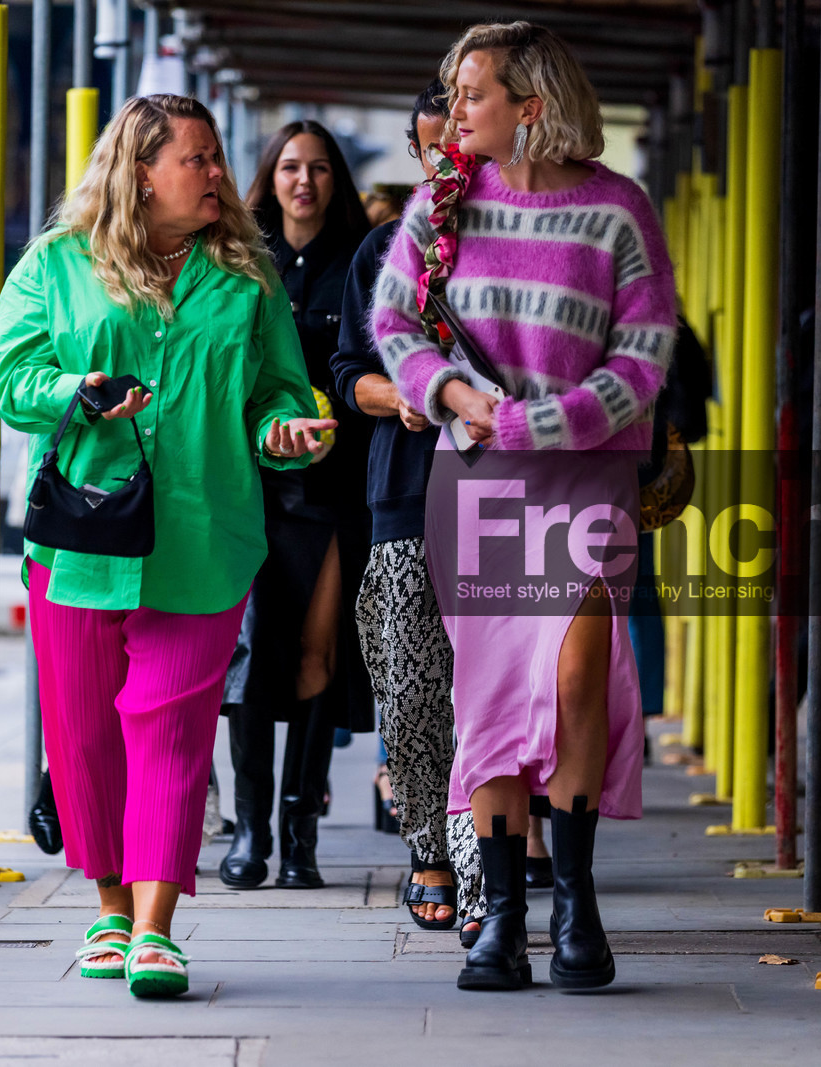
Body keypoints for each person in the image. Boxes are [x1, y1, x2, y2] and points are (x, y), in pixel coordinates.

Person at [0, 94, 330, 999]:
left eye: (216, 159)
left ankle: (154, 926)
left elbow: (280, 393)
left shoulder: (247, 279)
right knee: (87, 734)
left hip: (205, 535)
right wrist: (79, 388)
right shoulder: (57, 266)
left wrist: (289, 430)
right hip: (81, 537)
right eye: (199, 158)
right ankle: (106, 906)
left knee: (173, 732)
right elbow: (9, 381)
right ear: (142, 170)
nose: (219, 173)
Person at [373, 22, 676, 992]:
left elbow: (645, 349)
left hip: (585, 474)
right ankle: (502, 914)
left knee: (581, 671)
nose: (454, 111)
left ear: (530, 104)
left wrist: (560, 417)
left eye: (473, 93)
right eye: (456, 94)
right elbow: (391, 323)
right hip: (479, 477)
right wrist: (455, 397)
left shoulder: (616, 210)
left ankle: (576, 896)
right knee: (494, 695)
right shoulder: (444, 203)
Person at [331, 80, 487, 938]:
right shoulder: (386, 249)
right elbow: (346, 371)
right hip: (405, 487)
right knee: (414, 686)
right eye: (431, 148)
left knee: (495, 691)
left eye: (459, 147)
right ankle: (431, 849)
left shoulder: (519, 246)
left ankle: (486, 856)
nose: (445, 163)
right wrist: (402, 395)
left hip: (503, 492)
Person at [220, 120, 375, 891]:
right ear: (269, 177)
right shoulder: (241, 261)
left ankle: (298, 831)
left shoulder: (364, 262)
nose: (303, 180)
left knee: (319, 654)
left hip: (334, 486)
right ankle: (249, 829)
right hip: (253, 486)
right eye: (289, 166)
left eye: (318, 167)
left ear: (336, 179)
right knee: (248, 653)